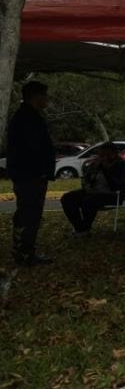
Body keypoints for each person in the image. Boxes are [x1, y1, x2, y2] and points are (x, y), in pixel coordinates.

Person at [7, 81, 56, 266]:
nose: (47, 100)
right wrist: (41, 171)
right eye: (45, 96)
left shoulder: (27, 116)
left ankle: (24, 249)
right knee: (30, 213)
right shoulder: (27, 118)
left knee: (27, 213)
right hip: (30, 175)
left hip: (28, 173)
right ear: (36, 96)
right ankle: (25, 252)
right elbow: (33, 148)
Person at [61, 143, 125, 235]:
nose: (103, 158)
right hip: (94, 191)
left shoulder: (123, 164)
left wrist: (106, 170)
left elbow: (118, 185)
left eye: (106, 155)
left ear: (114, 154)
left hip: (114, 194)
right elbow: (86, 179)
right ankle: (80, 227)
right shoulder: (97, 164)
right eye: (101, 155)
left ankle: (84, 228)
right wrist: (91, 170)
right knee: (67, 198)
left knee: (88, 201)